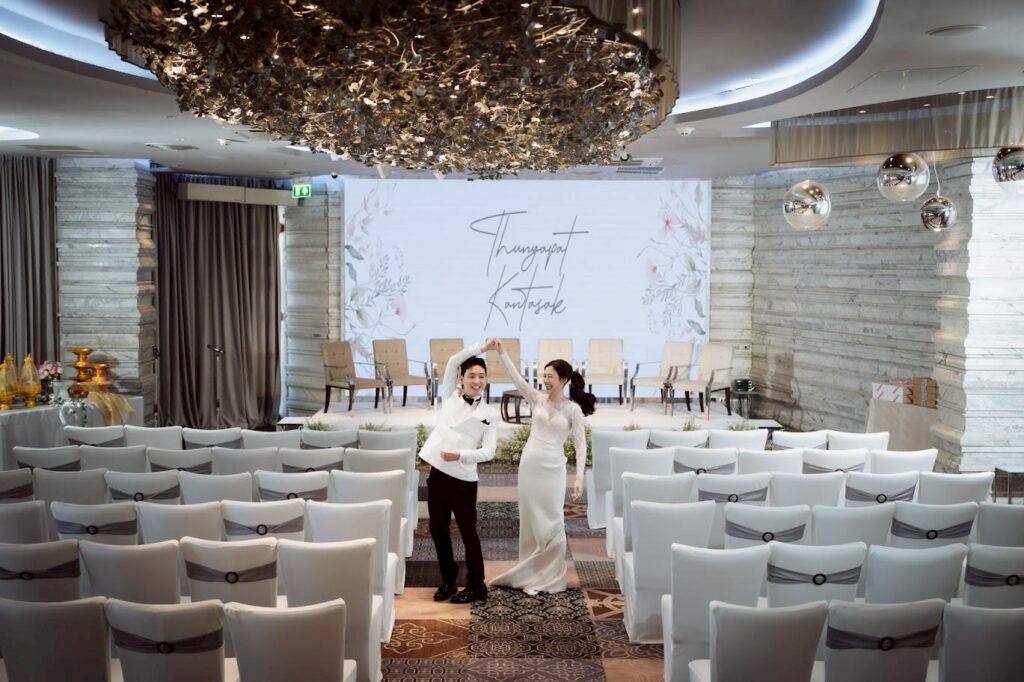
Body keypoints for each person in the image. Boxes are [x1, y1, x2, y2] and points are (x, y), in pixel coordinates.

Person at [488, 337, 596, 594]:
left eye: (550, 376)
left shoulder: (572, 410)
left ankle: (551, 578)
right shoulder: (536, 398)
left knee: (553, 520)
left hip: (554, 469)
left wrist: (579, 477)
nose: (545, 380)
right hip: (530, 466)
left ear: (563, 379)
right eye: (543, 375)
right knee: (530, 520)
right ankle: (529, 574)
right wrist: (502, 353)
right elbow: (516, 378)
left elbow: (581, 446)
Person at [418, 339, 500, 604]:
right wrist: (482, 348)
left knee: (468, 533)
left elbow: (489, 452)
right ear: (461, 378)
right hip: (439, 474)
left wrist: (461, 455)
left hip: (464, 479)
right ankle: (448, 580)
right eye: (472, 375)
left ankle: (477, 585)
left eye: (481, 376)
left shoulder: (489, 413)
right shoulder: (449, 397)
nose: (477, 381)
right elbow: (454, 360)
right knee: (438, 530)